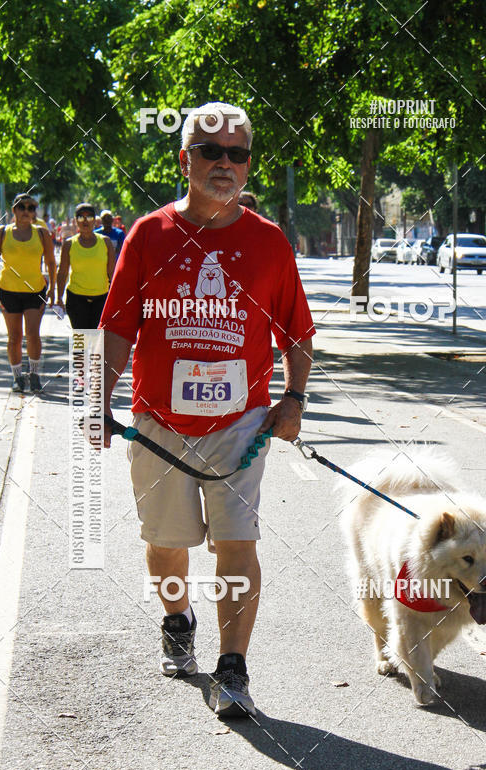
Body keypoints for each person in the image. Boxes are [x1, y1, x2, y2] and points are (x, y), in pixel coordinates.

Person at [99, 101, 314, 717]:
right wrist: (97, 397)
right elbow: (117, 327)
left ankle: (234, 668)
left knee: (236, 545)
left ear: (248, 166)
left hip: (240, 425)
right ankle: (177, 619)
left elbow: (296, 332)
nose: (224, 163)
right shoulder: (148, 234)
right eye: (210, 150)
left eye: (237, 153)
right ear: (185, 158)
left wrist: (293, 399)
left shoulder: (269, 243)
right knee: (167, 546)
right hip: (158, 425)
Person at [0, 193, 56, 392]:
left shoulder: (41, 233)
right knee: (14, 337)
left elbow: (50, 262)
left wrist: (53, 290)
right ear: (14, 210)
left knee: (32, 334)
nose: (26, 211)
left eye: (31, 208)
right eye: (22, 207)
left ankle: (34, 375)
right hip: (8, 291)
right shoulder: (2, 233)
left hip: (35, 291)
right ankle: (17, 377)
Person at [55, 203, 116, 328]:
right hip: (76, 299)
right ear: (76, 220)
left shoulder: (105, 242)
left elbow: (112, 273)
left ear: (95, 220)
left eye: (89, 217)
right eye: (81, 217)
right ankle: (80, 348)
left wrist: (117, 297)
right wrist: (59, 298)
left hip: (101, 299)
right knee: (80, 343)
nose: (85, 221)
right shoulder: (69, 244)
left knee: (97, 343)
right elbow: (62, 273)